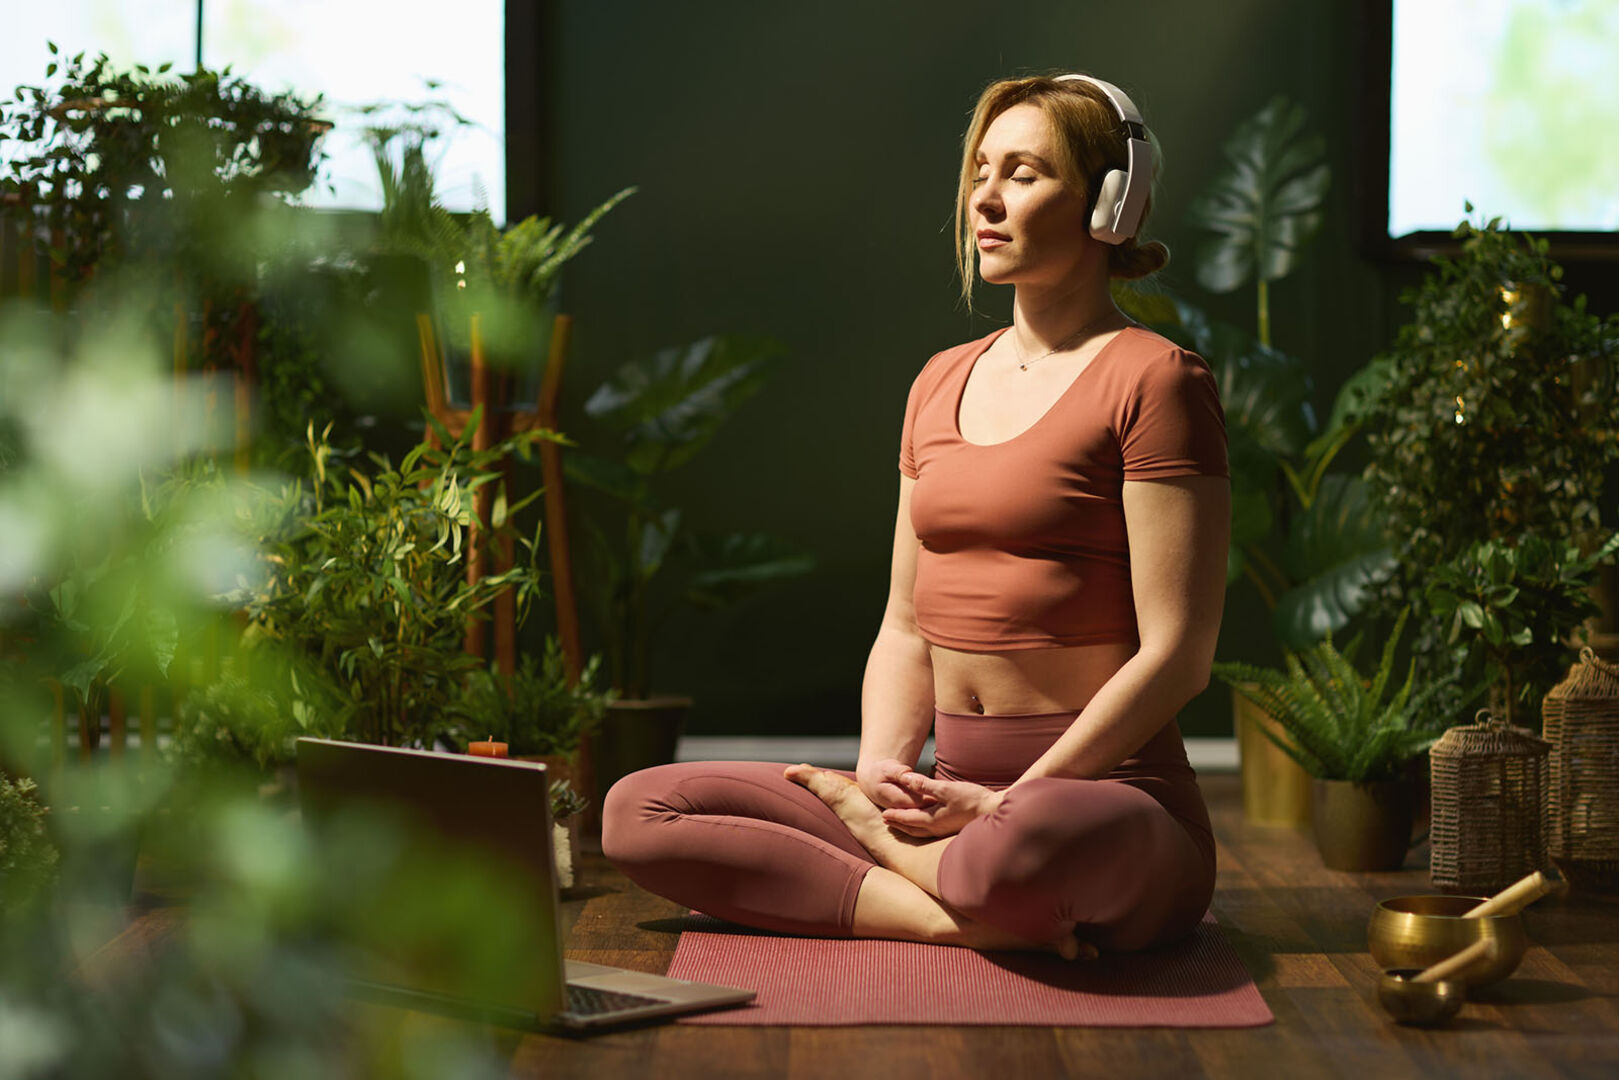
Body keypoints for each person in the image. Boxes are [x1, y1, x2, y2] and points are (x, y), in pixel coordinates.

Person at [601, 73, 1229, 958]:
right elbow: (904, 624)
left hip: (1099, 799)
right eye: (981, 169)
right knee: (637, 811)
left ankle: (931, 878)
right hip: (946, 794)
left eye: (1023, 172)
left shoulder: (1156, 379)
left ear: (1107, 204)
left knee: (1016, 850)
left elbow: (1178, 656)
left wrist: (1007, 803)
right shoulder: (938, 380)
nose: (986, 195)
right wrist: (879, 779)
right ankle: (954, 916)